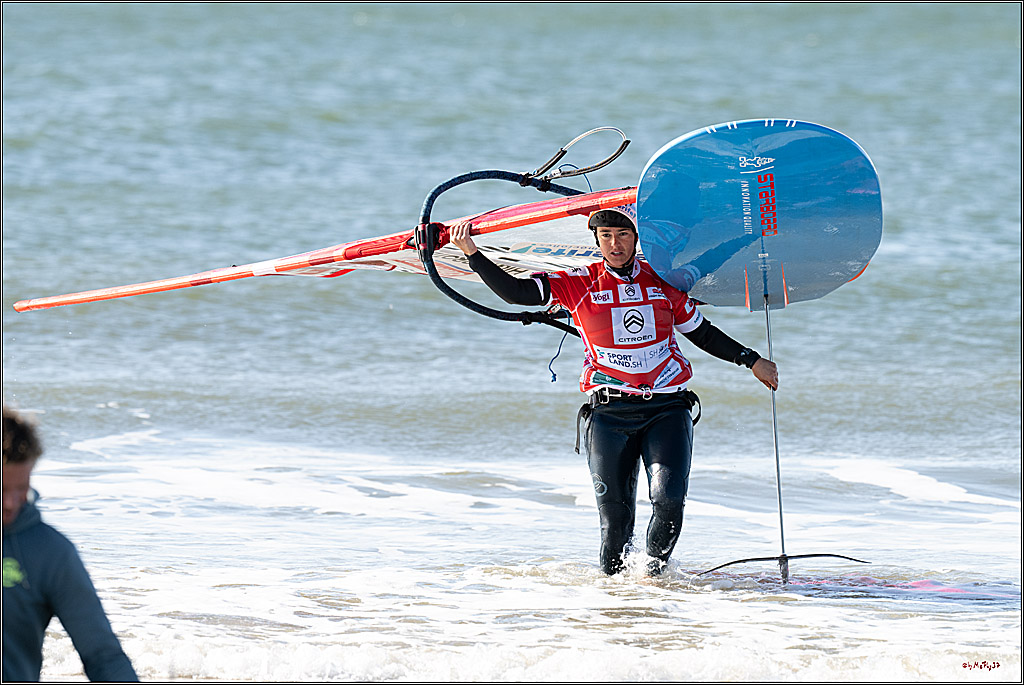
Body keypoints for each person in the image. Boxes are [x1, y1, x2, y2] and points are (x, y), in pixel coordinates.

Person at [449, 205, 778, 576]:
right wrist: (472, 253)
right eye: (605, 236)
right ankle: (615, 604)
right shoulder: (578, 283)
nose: (614, 244)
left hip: (666, 408)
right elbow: (517, 293)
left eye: (622, 235)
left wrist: (750, 360)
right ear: (596, 240)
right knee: (615, 526)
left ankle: (653, 577)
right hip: (608, 415)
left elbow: (701, 332)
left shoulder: (663, 282)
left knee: (669, 502)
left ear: (636, 239)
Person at [2, 406, 138, 682]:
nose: (10, 503)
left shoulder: (50, 553)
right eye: (2, 489)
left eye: (21, 489)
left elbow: (103, 655)